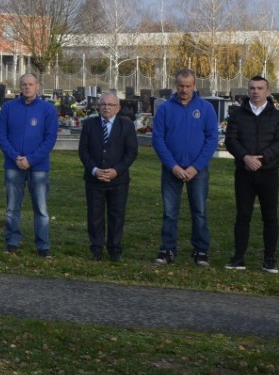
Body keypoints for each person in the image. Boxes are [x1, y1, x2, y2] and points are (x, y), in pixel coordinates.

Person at [151, 68, 219, 267]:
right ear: (176, 85)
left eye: (188, 86)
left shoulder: (206, 108)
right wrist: (173, 166)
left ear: (194, 85)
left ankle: (201, 250)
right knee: (170, 212)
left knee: (199, 211)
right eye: (181, 86)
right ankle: (168, 249)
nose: (184, 90)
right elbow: (158, 139)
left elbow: (211, 140)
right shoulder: (165, 109)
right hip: (171, 169)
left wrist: (195, 167)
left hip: (197, 171)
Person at [224, 76, 279, 273]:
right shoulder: (237, 115)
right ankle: (238, 258)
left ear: (268, 92)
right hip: (244, 173)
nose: (256, 91)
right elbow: (231, 140)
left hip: (268, 173)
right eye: (252, 88)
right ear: (248, 91)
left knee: (270, 217)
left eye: (260, 88)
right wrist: (245, 158)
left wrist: (262, 159)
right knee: (243, 216)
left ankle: (269, 259)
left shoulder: (278, 116)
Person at [0, 73, 59, 257]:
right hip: (13, 164)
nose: (27, 87)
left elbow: (50, 139)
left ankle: (43, 245)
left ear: (37, 86)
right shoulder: (8, 108)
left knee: (41, 208)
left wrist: (31, 159)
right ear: (20, 86)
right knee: (12, 207)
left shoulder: (48, 109)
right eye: (23, 84)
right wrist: (15, 157)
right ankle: (12, 242)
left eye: (30, 84)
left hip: (38, 166)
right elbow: (1, 136)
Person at [78, 92, 137, 262]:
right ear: (98, 107)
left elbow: (131, 152)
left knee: (116, 215)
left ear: (118, 108)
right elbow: (83, 150)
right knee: (94, 214)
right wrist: (94, 170)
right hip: (94, 179)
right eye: (103, 104)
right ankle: (96, 248)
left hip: (118, 180)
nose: (106, 107)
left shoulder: (127, 126)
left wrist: (116, 171)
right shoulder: (89, 124)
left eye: (110, 105)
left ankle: (114, 249)